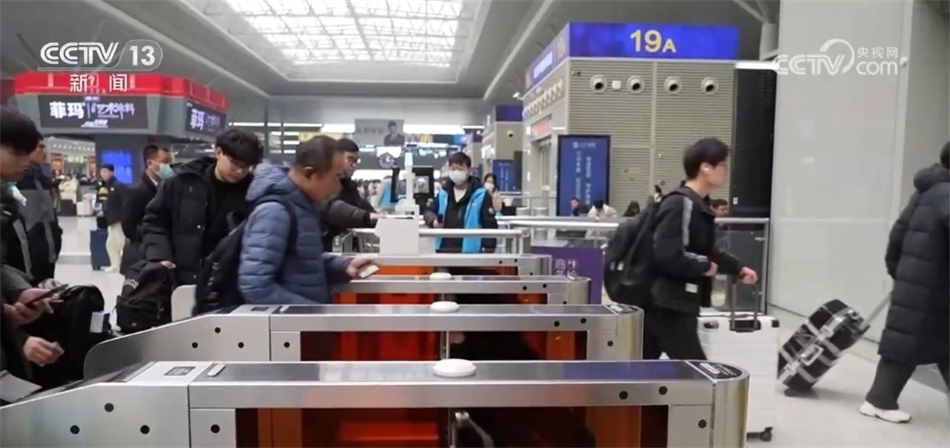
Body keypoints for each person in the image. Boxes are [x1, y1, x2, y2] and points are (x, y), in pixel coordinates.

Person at [644, 137, 757, 360]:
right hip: (668, 304)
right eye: (722, 164)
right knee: (696, 372)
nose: (725, 171)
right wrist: (705, 267)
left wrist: (737, 269)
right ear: (706, 167)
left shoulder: (697, 204)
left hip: (671, 302)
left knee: (642, 368)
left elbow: (705, 249)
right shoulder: (681, 203)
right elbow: (668, 254)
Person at [861, 142, 950, 423]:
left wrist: (900, 273)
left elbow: (897, 235)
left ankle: (879, 399)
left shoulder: (926, 191)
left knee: (909, 344)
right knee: (913, 344)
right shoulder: (946, 194)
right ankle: (879, 400)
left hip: (918, 284)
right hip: (935, 288)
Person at [238, 136, 372, 304]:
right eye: (336, 177)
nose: (338, 187)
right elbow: (256, 286)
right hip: (292, 320)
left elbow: (301, 261)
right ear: (309, 173)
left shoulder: (302, 207)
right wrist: (309, 312)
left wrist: (342, 266)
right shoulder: (274, 212)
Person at [141, 129, 263, 286]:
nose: (240, 171)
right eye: (235, 163)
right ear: (218, 153)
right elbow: (154, 221)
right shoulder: (183, 183)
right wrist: (160, 256)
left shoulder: (254, 193)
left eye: (247, 166)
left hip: (231, 285)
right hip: (182, 282)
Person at [423, 152, 498, 253]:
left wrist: (487, 251)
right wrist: (434, 222)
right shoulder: (443, 194)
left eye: (460, 169)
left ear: (469, 171)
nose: (456, 172)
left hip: (472, 254)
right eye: (453, 169)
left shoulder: (481, 195)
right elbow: (428, 211)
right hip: (444, 251)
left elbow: (490, 225)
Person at [119, 145, 174, 274]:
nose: (169, 167)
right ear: (150, 163)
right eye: (165, 162)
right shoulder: (136, 190)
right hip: (141, 256)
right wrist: (151, 240)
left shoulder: (165, 188)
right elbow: (128, 226)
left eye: (170, 163)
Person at [14, 135, 62, 282]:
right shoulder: (14, 182)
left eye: (44, 147)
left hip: (48, 255)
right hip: (24, 259)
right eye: (39, 147)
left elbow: (52, 216)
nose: (44, 151)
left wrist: (57, 238)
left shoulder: (45, 181)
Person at [318, 138, 379, 248]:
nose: (354, 165)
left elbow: (362, 207)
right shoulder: (323, 182)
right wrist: (367, 216)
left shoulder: (350, 187)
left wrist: (379, 218)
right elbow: (331, 207)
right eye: (350, 160)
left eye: (356, 161)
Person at [96, 164, 125, 272]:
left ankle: (121, 265)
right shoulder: (104, 186)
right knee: (111, 244)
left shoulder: (118, 186)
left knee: (119, 243)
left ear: (111, 172)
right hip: (110, 219)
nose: (103, 174)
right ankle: (115, 265)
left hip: (118, 219)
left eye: (105, 171)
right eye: (102, 171)